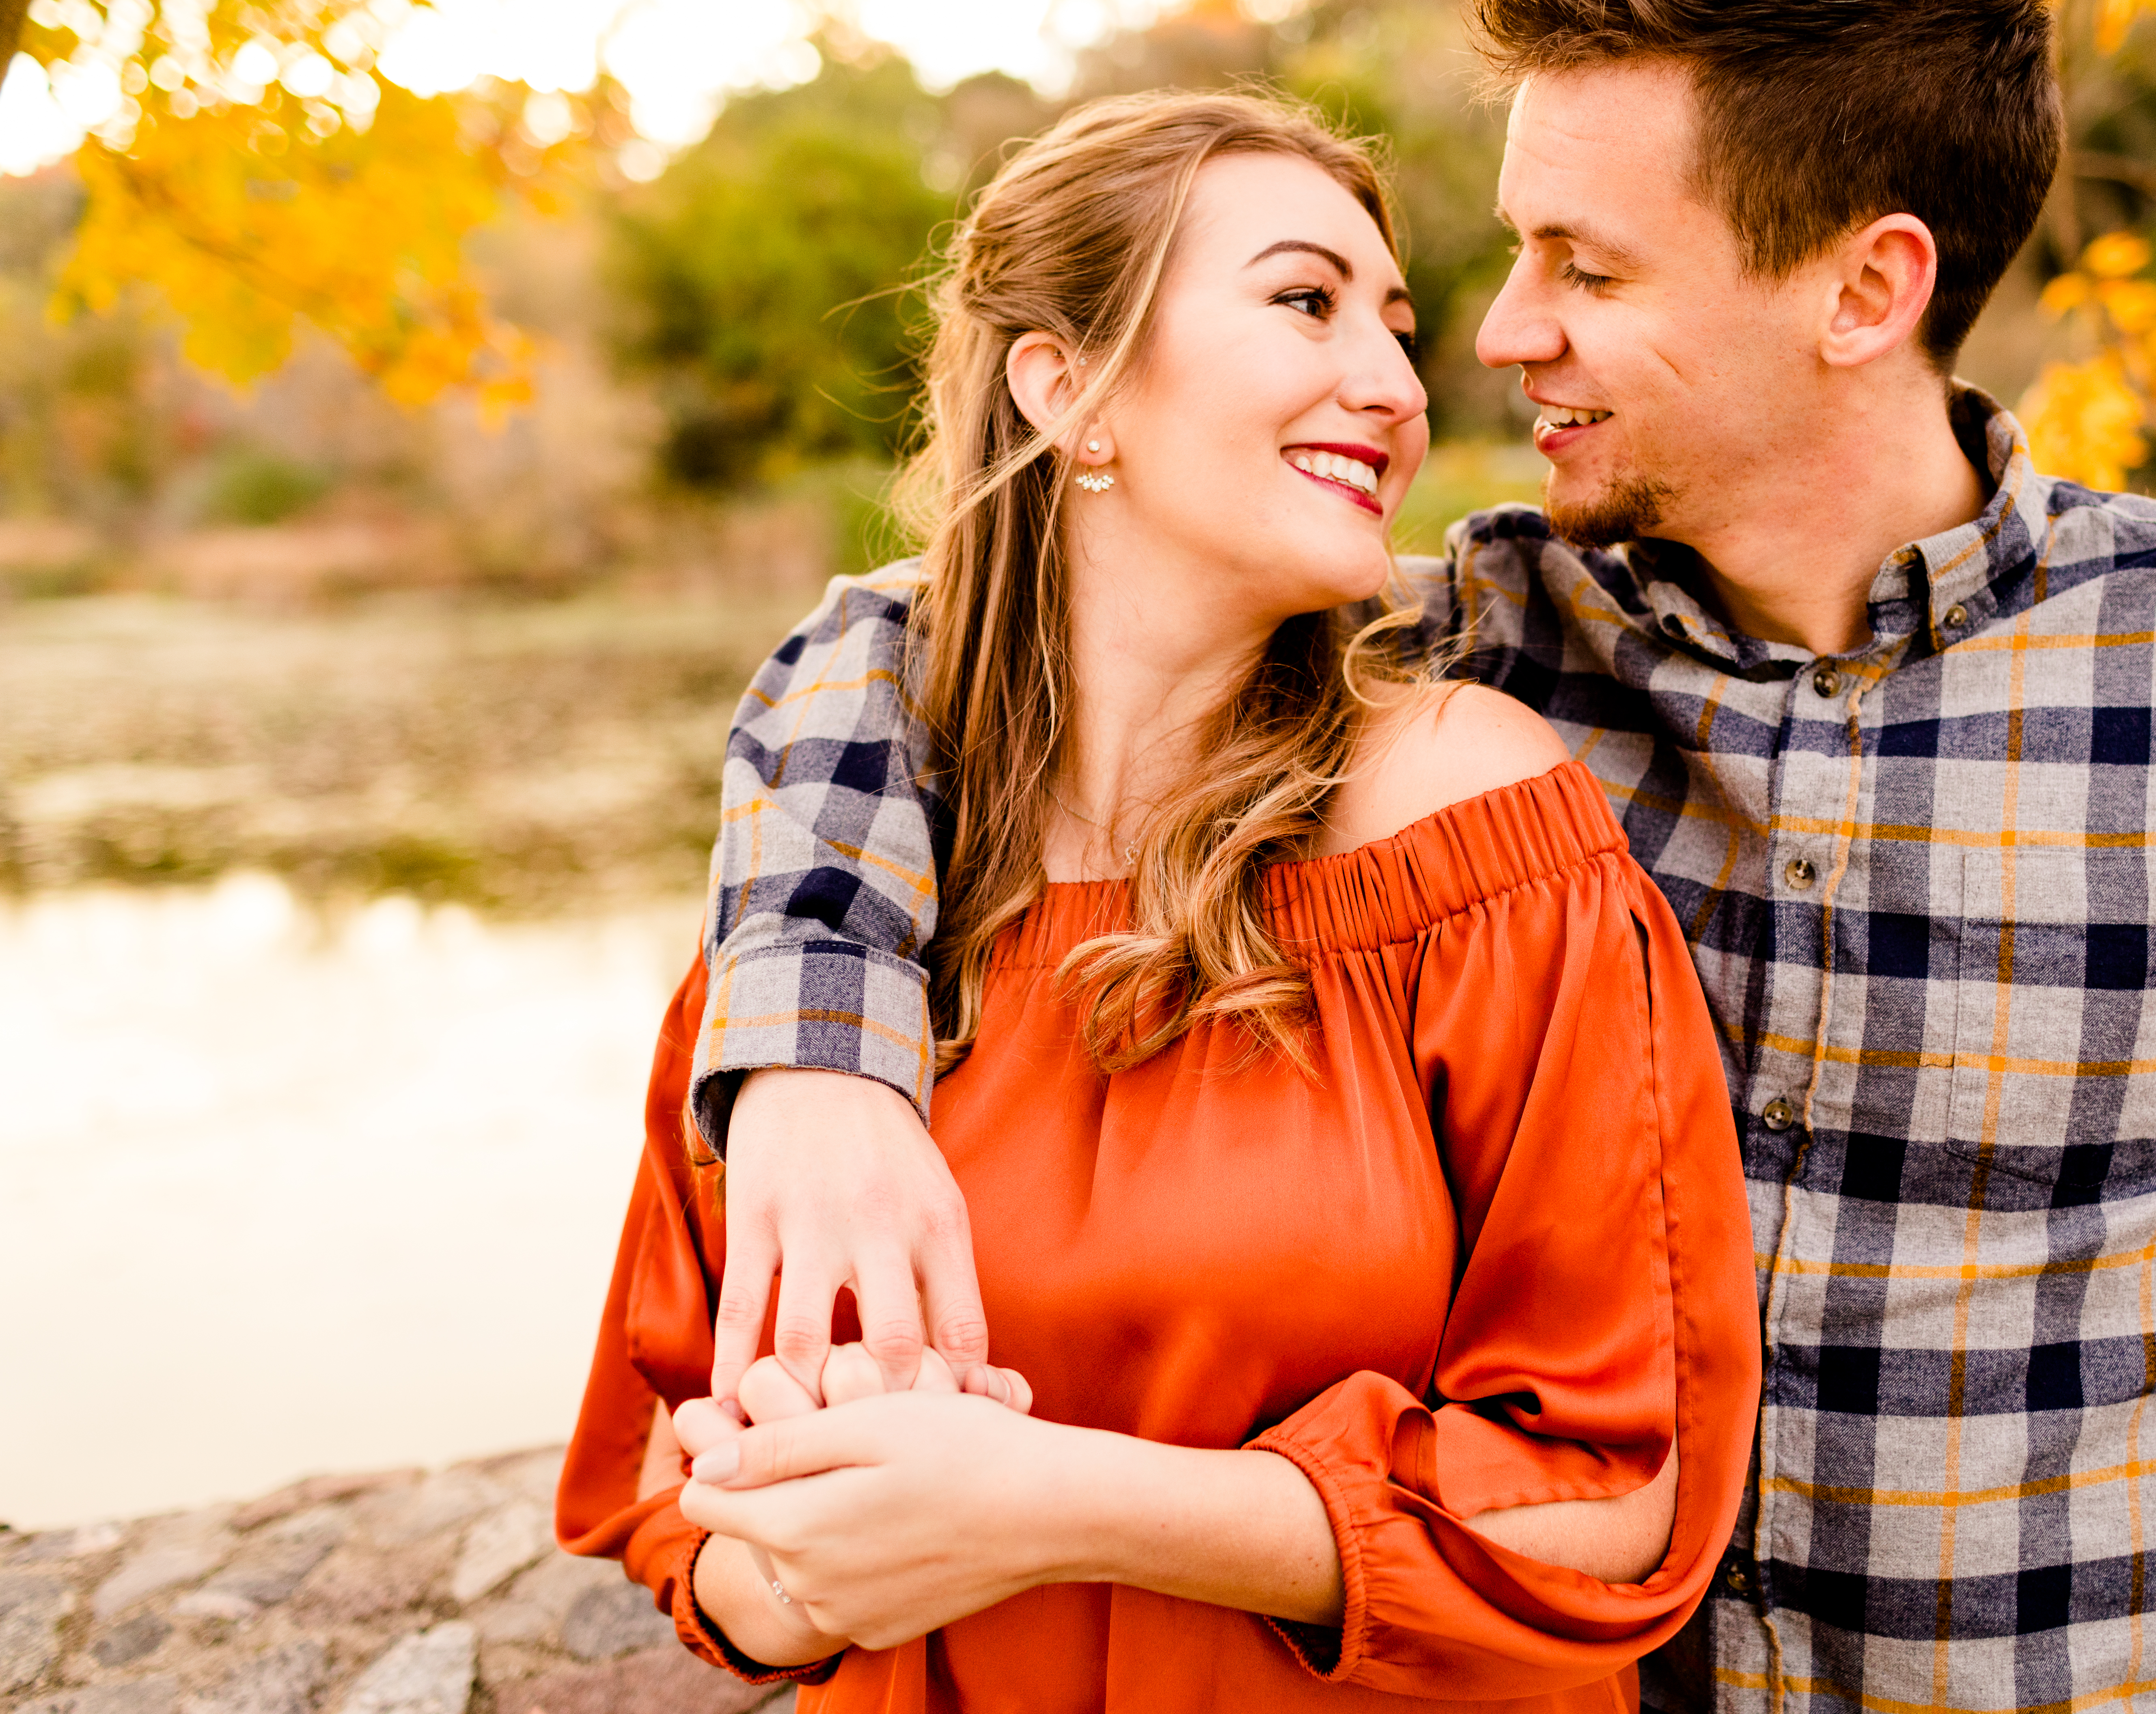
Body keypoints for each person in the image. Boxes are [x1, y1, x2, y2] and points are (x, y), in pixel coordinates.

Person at [665, 0, 2156, 1709]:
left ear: (1864, 287)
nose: (1499, 334)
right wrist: (819, 1058)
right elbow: (931, 642)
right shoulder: (1468, 660)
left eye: (1587, 266)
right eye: (1513, 253)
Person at [555, 89, 1766, 1708]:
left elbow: (1621, 1491)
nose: (1398, 387)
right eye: (1304, 301)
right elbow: (666, 1501)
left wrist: (1051, 1508)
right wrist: (799, 1560)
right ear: (1072, 388)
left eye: (1394, 327)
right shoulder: (830, 912)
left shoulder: (1476, 824)